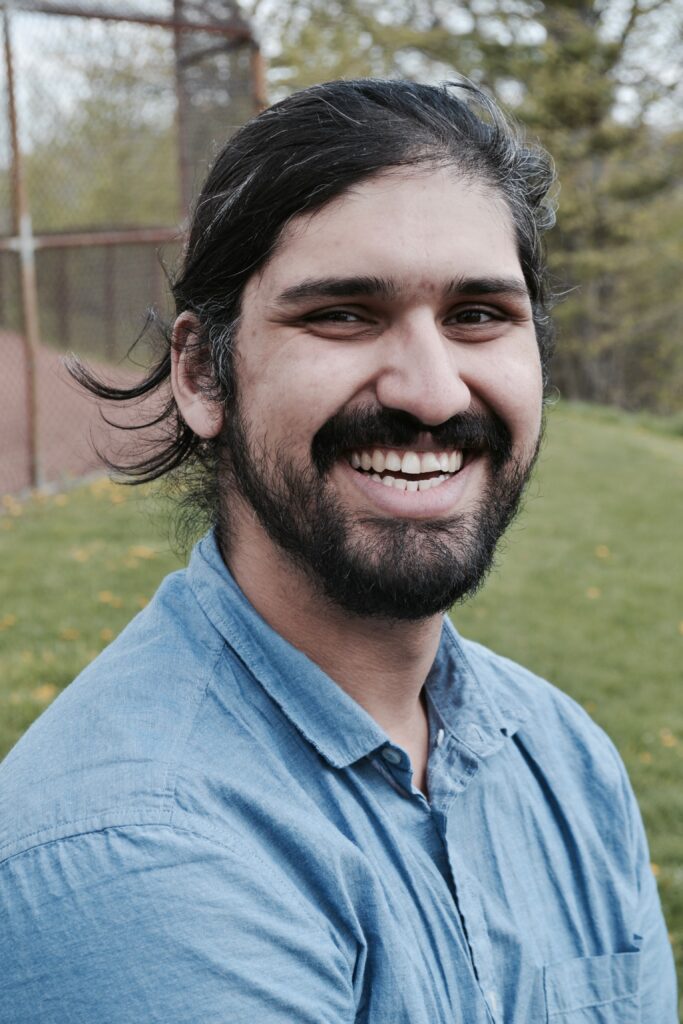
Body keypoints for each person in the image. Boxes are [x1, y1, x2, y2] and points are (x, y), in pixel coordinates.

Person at [0, 79, 676, 1023]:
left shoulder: (564, 759)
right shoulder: (140, 852)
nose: (432, 392)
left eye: (478, 315)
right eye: (343, 315)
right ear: (202, 373)